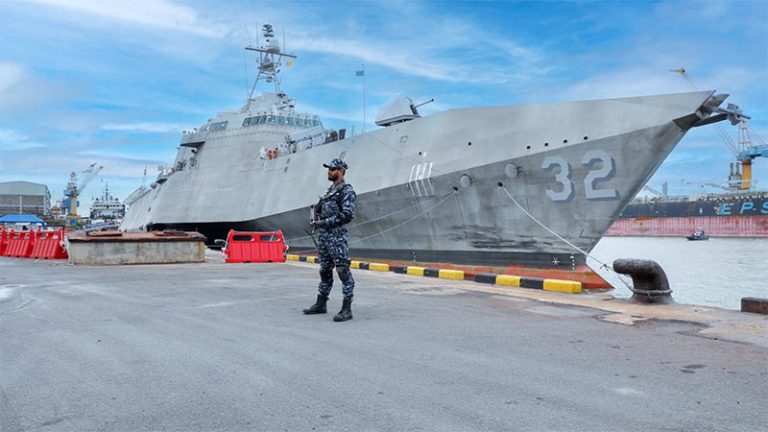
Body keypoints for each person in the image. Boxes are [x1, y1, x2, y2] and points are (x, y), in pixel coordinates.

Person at [303, 158, 357, 322]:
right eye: (329, 169)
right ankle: (321, 304)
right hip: (325, 237)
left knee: (342, 271)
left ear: (341, 171)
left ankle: (347, 309)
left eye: (332, 169)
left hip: (337, 237)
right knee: (324, 270)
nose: (329, 171)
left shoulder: (346, 191)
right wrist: (317, 213)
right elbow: (320, 209)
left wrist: (323, 222)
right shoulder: (330, 192)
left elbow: (347, 215)